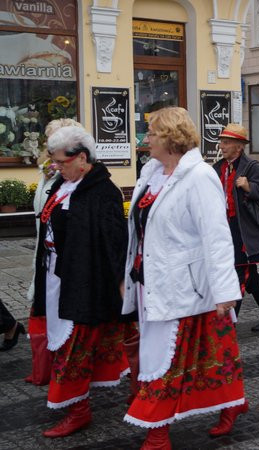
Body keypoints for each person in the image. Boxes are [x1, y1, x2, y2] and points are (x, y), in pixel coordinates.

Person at [122, 107, 247, 447]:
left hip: (186, 288)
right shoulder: (152, 173)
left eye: (151, 133)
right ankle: (233, 402)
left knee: (164, 358)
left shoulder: (198, 177)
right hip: (152, 283)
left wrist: (225, 291)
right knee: (214, 353)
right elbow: (139, 231)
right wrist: (128, 277)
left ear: (170, 137)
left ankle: (157, 434)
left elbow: (217, 236)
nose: (146, 139)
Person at [32, 125, 130, 438]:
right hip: (57, 278)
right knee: (72, 347)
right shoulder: (62, 183)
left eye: (61, 161)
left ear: (82, 158)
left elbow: (116, 241)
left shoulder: (102, 192)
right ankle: (86, 405)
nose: (56, 166)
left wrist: (119, 283)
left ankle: (79, 410)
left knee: (76, 349)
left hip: (86, 283)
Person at [23, 118, 80, 384]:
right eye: (49, 139)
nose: (50, 145)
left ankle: (61, 369)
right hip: (43, 248)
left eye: (55, 139)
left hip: (62, 257)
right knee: (43, 309)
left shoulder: (71, 177)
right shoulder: (46, 172)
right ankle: (44, 367)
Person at [212, 124, 259, 332]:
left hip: (244, 230)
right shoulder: (218, 168)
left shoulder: (253, 167)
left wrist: (250, 187)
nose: (222, 146)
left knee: (239, 273)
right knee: (249, 273)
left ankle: (229, 326)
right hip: (225, 228)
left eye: (227, 143)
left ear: (239, 147)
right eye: (222, 142)